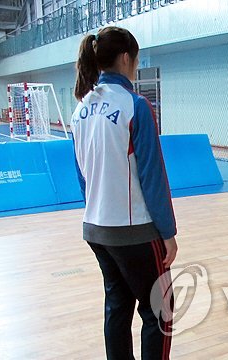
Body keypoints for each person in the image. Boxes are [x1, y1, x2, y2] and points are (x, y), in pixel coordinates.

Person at [71, 26, 178, 359]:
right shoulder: (135, 105)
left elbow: (82, 177)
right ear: (125, 58)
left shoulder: (80, 110)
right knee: (159, 310)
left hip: (95, 228)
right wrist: (168, 233)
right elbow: (153, 176)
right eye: (135, 58)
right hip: (135, 232)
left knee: (117, 306)